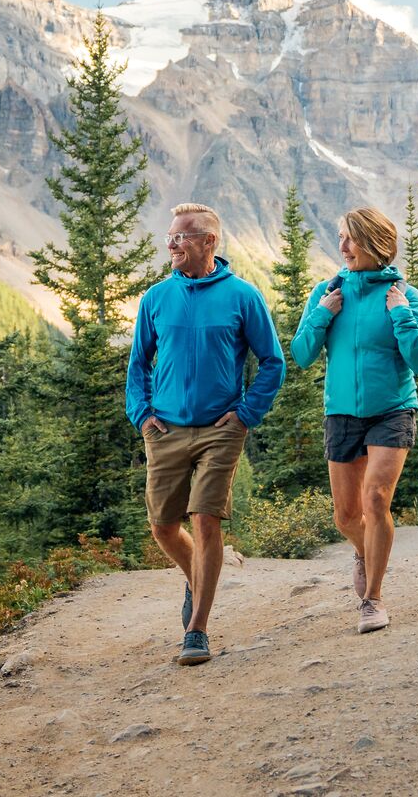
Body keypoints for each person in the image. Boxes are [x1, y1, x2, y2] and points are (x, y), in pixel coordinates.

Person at [126, 202, 284, 666]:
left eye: (181, 237)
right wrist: (142, 415)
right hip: (165, 428)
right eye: (170, 236)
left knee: (205, 519)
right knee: (163, 527)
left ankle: (197, 630)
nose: (171, 244)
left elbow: (272, 362)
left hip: (221, 429)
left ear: (208, 241)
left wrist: (245, 414)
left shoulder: (242, 296)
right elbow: (138, 364)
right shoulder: (156, 298)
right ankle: (196, 576)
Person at [290, 207, 418, 634]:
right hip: (341, 413)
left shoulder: (404, 294)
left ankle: (372, 599)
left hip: (392, 409)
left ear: (376, 244)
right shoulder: (327, 292)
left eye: (351, 238)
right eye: (340, 237)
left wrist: (401, 314)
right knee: (346, 516)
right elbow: (301, 354)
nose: (343, 246)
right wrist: (323, 313)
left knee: (376, 499)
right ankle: (363, 550)